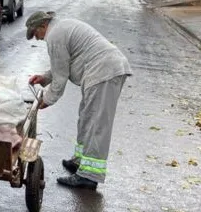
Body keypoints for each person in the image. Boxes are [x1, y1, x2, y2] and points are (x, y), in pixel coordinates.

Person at [26, 11, 132, 190]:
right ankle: (79, 162)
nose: (37, 39)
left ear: (43, 26)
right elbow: (63, 66)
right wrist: (44, 78)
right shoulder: (60, 28)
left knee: (96, 124)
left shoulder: (55, 36)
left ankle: (89, 176)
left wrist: (47, 100)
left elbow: (60, 78)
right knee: (86, 119)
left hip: (103, 72)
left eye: (36, 34)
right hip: (100, 72)